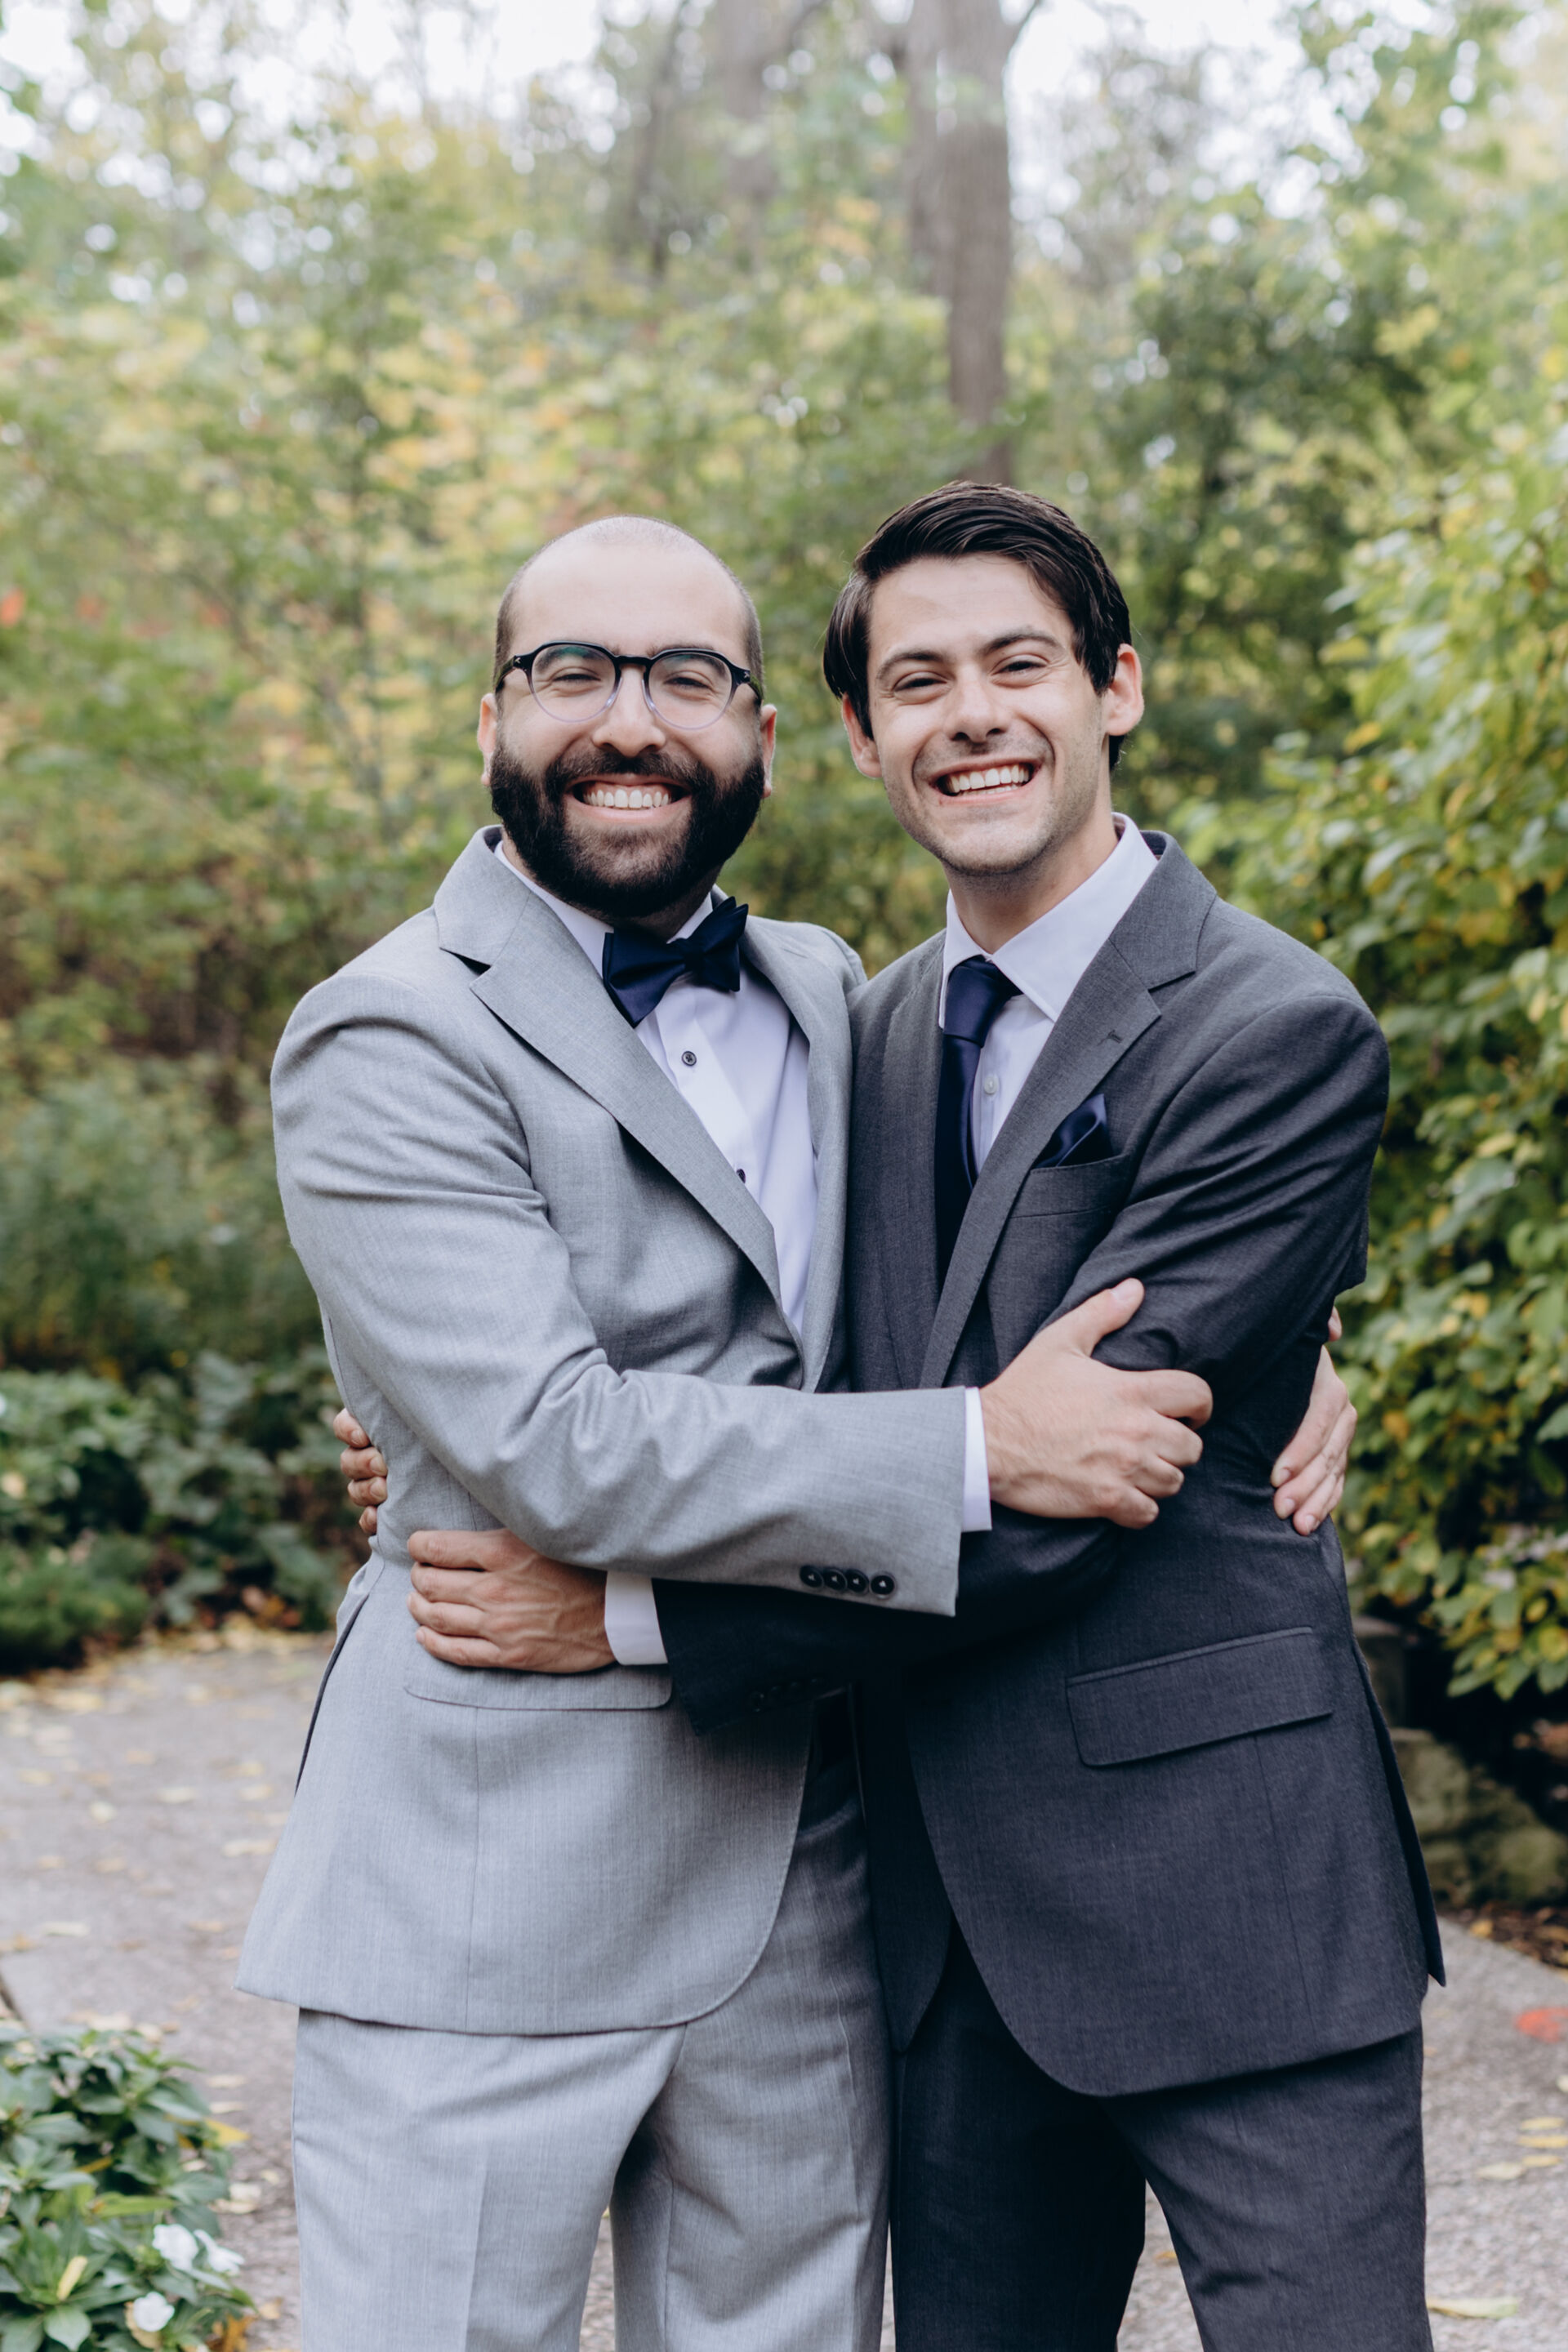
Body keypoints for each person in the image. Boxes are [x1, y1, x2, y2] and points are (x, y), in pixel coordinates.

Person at [242, 512, 1321, 2352]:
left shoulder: (839, 995)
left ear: (761, 733)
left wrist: (1299, 1345)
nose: (629, 719)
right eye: (573, 671)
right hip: (484, 1886)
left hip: (804, 1878)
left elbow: (1047, 1215)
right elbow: (555, 1446)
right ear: (492, 717)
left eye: (687, 676)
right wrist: (974, 1449)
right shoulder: (387, 1030)